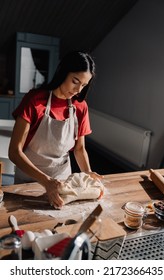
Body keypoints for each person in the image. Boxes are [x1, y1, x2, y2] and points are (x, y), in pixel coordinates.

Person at [9, 51, 103, 208]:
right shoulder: (35, 101)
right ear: (63, 73)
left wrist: (87, 173)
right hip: (29, 182)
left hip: (62, 182)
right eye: (75, 81)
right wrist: (46, 182)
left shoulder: (80, 107)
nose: (78, 90)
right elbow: (14, 152)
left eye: (84, 85)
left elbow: (79, 149)